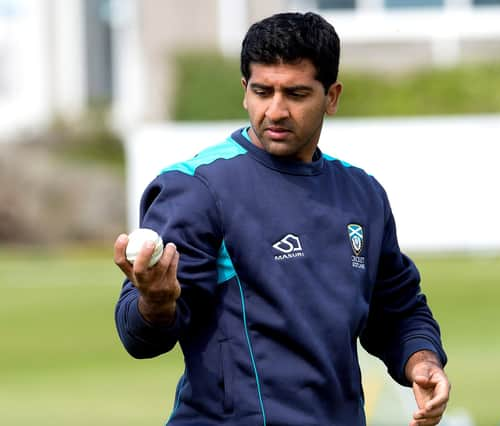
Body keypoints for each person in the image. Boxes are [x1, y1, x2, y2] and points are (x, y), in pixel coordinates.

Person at [114, 11, 450, 426]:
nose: (275, 110)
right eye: (262, 91)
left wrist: (421, 360)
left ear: (332, 96)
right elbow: (139, 336)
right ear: (244, 91)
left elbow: (397, 309)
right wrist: (156, 301)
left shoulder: (362, 195)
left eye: (295, 94)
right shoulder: (198, 188)